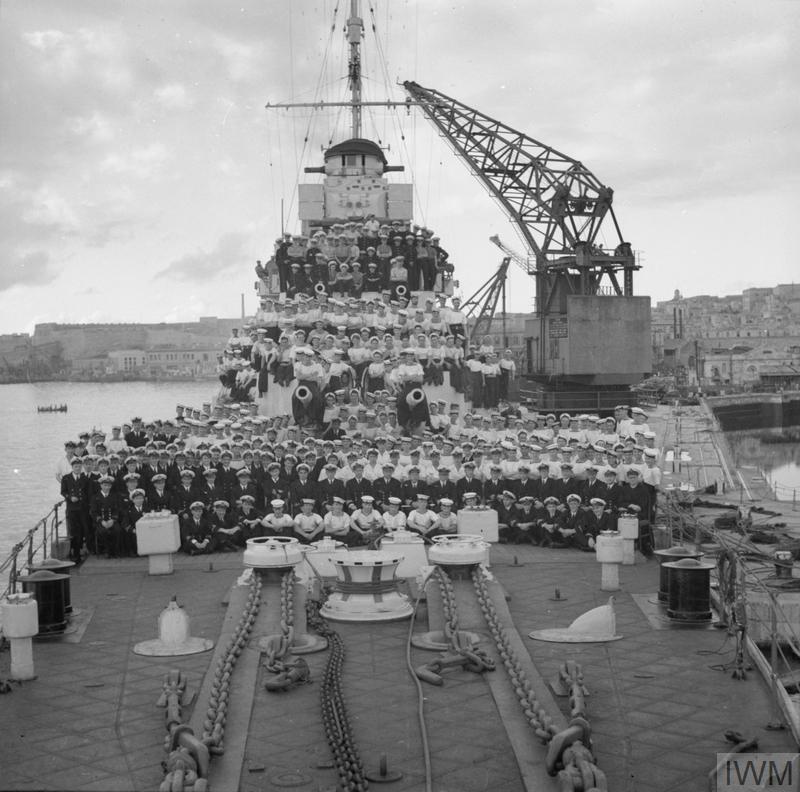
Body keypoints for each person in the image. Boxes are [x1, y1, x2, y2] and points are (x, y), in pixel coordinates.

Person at [61, 457, 90, 561]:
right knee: (74, 531)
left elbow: (88, 493)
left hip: (83, 508)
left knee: (83, 529)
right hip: (72, 508)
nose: (77, 468)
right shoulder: (66, 478)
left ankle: (82, 549)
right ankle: (75, 553)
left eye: (79, 466)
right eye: (75, 466)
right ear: (72, 467)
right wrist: (69, 497)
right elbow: (63, 491)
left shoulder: (85, 479)